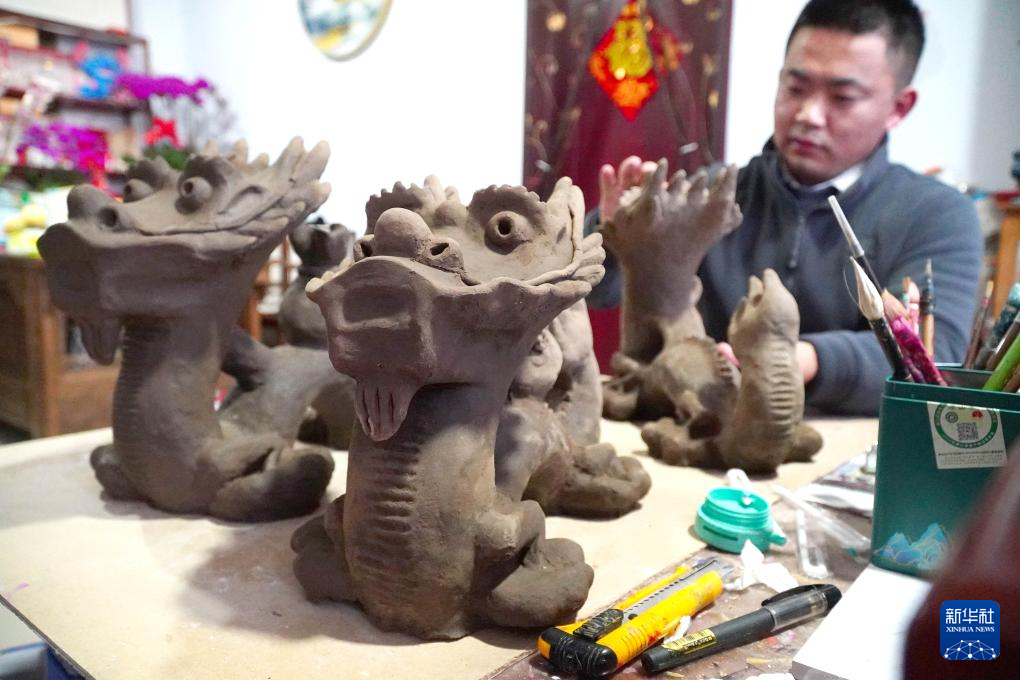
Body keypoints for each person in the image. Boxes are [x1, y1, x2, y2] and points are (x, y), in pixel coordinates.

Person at [586, 0, 982, 416]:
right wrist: (613, 237)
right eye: (795, 88)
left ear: (898, 108)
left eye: (842, 97)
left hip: (860, 444)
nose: (808, 115)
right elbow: (600, 293)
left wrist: (800, 360)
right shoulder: (716, 195)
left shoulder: (938, 215)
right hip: (707, 429)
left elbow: (934, 355)